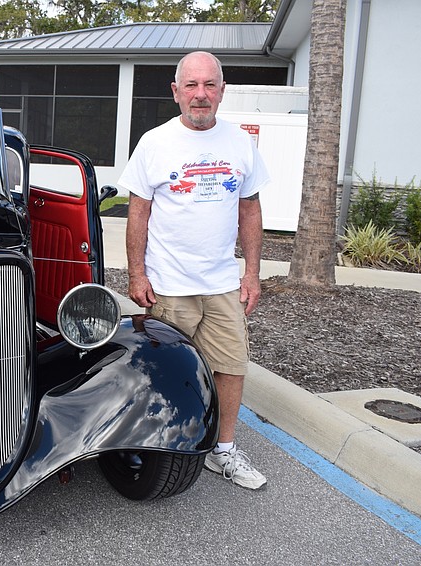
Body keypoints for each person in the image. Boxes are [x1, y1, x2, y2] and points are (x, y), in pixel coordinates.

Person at [118, 51, 269, 490]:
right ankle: (163, 448)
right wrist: (137, 275)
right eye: (191, 86)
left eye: (209, 85)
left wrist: (252, 273)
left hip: (222, 283)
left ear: (222, 91)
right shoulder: (154, 142)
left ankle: (222, 452)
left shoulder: (240, 142)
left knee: (230, 366)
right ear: (176, 92)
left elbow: (251, 209)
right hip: (168, 285)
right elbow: (138, 214)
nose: (200, 95)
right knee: (167, 369)